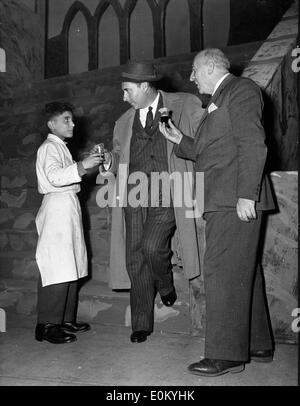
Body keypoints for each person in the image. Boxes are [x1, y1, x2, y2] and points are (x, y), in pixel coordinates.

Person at [160, 48, 275, 376]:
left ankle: (225, 354)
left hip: (234, 198)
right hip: (226, 197)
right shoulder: (219, 100)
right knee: (242, 270)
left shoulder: (241, 90)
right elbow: (211, 150)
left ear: (209, 68)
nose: (192, 78)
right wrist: (179, 139)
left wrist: (245, 196)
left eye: (195, 71)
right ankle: (257, 343)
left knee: (221, 271)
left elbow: (253, 143)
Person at [96, 61, 204, 343]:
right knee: (134, 254)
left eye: (127, 90)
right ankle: (141, 322)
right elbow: (119, 159)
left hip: (168, 190)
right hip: (133, 193)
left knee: (152, 246)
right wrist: (109, 161)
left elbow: (206, 139)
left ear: (145, 86)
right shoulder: (123, 122)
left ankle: (165, 284)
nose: (123, 97)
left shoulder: (184, 104)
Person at [35, 101, 102, 344]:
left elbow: (68, 174)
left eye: (71, 119)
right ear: (51, 124)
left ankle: (64, 319)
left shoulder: (60, 147)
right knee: (57, 266)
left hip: (67, 207)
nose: (72, 123)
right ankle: (47, 324)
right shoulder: (48, 148)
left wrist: (85, 164)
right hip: (56, 209)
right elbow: (54, 177)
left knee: (71, 263)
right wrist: (83, 165)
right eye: (66, 119)